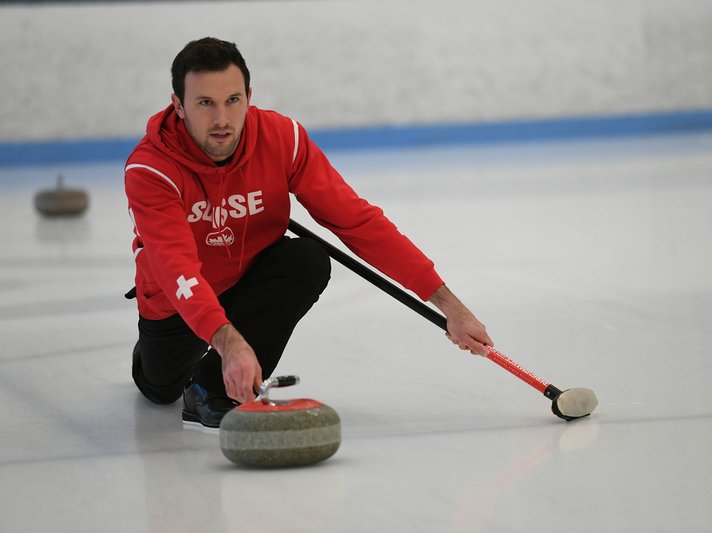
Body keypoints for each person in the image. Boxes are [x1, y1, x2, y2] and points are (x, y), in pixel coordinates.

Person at [124, 37, 493, 429]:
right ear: (178, 105)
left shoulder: (283, 139)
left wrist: (450, 306)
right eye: (205, 103)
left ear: (249, 96)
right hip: (179, 300)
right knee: (160, 388)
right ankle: (166, 360)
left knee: (307, 260)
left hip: (249, 277)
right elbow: (175, 267)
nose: (221, 120)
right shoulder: (151, 170)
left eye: (233, 100)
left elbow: (358, 221)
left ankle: (209, 386)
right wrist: (227, 339)